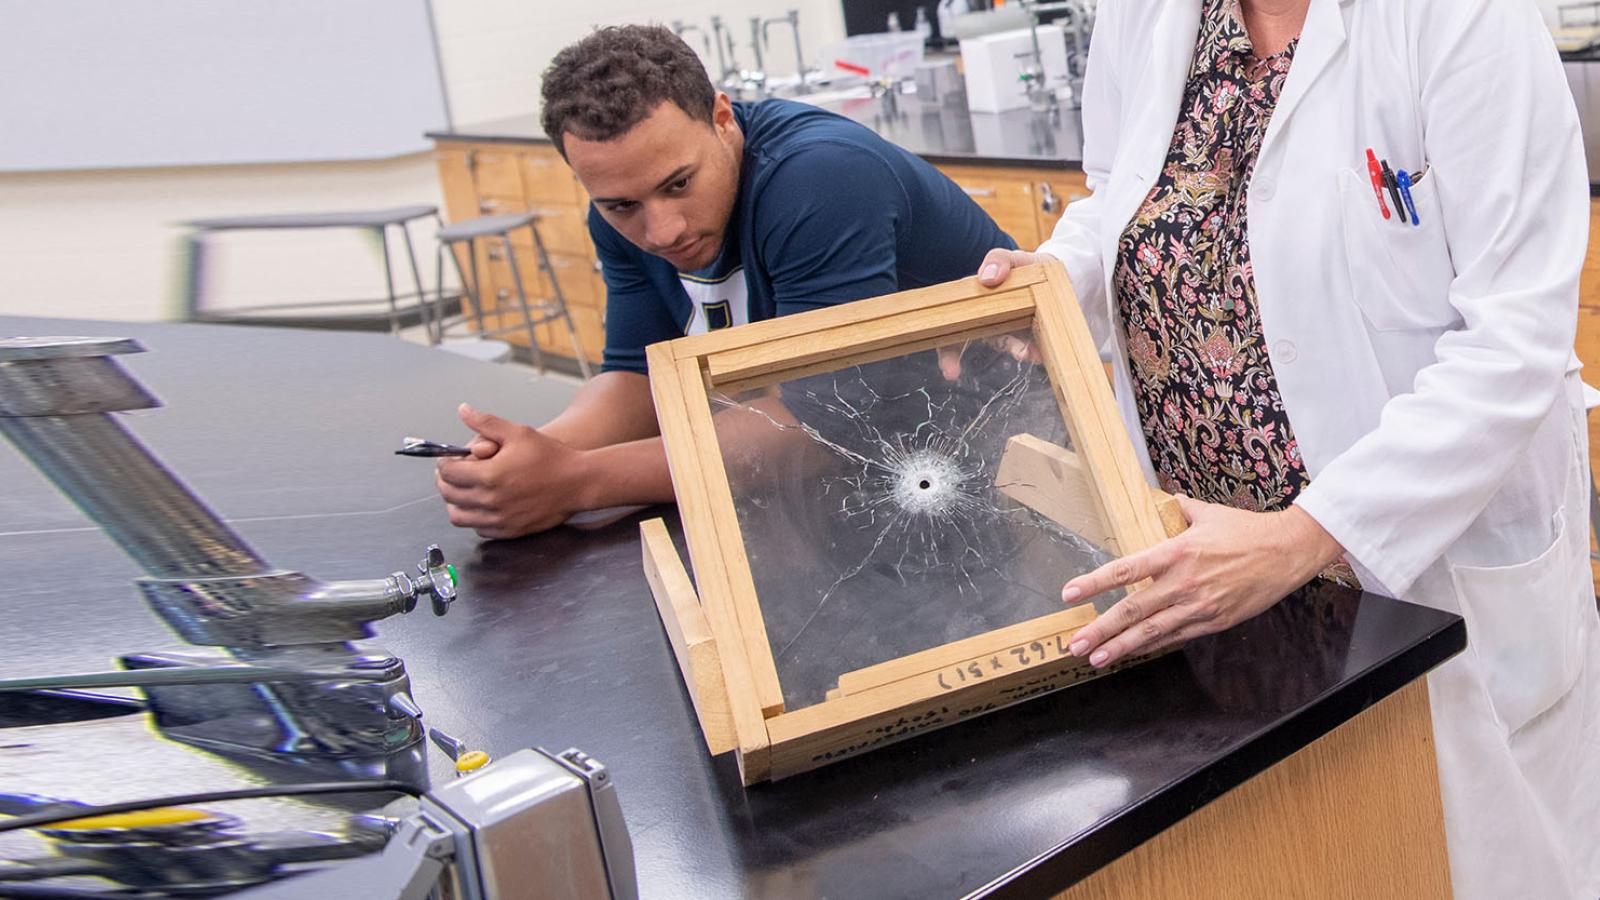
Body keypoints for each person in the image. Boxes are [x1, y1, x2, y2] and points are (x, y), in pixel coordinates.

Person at [976, 0, 1599, 895]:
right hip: (1210, 587)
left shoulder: (1462, 20)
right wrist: (1061, 277)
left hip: (1405, 578)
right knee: (1281, 855)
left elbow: (1516, 343)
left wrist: (1310, 533)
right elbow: (1117, 194)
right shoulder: (1144, 15)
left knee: (1455, 863)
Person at [434, 25, 1015, 539]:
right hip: (848, 482)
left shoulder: (820, 180)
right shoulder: (618, 212)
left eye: (679, 184)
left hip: (996, 459)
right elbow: (639, 377)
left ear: (722, 118)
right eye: (621, 205)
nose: (661, 231)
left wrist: (577, 481)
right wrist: (533, 457)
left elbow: (825, 421)